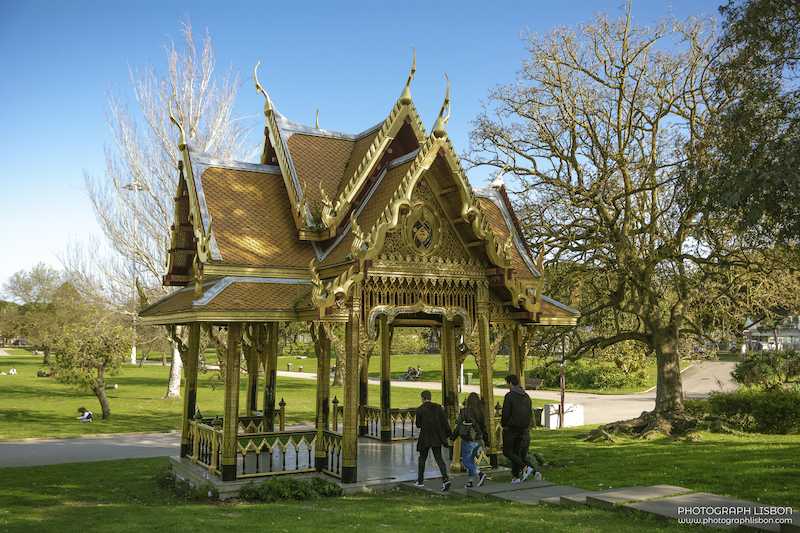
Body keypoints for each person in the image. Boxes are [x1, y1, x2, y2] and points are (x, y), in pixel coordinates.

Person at [501, 374, 540, 483]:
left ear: (509, 383)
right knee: (516, 453)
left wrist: (504, 424)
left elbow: (506, 413)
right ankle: (516, 476)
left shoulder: (509, 396)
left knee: (507, 452)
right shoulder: (526, 396)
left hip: (511, 428)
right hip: (523, 428)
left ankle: (525, 468)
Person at [414, 390, 452, 491]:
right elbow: (444, 422)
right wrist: (448, 434)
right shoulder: (438, 407)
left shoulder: (420, 409)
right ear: (430, 397)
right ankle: (445, 479)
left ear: (422, 398)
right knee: (439, 458)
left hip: (425, 437)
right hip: (436, 437)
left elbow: (418, 425)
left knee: (422, 458)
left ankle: (420, 481)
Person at [452, 392, 488, 488]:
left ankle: (480, 474)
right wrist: (486, 440)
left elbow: (459, 426)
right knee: (472, 461)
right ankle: (470, 481)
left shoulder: (464, 411)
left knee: (466, 462)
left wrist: (452, 437)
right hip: (478, 439)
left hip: (468, 439)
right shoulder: (481, 411)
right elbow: (484, 427)